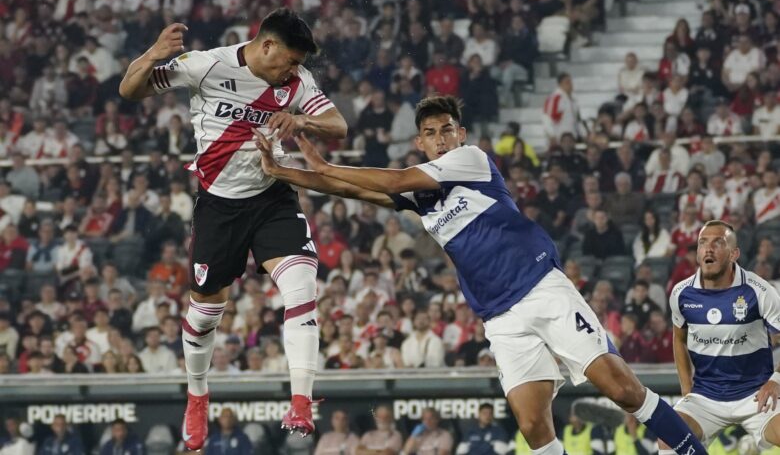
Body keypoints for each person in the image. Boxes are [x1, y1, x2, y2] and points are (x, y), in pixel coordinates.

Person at [256, 95, 708, 454]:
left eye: (446, 130)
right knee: (533, 426)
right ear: (420, 142)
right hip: (500, 317)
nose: (440, 139)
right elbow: (348, 188)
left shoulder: (470, 160)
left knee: (624, 390)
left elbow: (390, 181)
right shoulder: (421, 197)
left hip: (541, 289)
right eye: (430, 134)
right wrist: (285, 170)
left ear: (461, 134)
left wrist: (321, 164)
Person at [118, 7, 347, 446]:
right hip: (219, 209)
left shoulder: (297, 84)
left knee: (303, 285)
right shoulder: (207, 65)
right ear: (267, 46)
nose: (295, 70)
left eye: (299, 64)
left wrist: (302, 120)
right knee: (205, 315)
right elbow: (130, 91)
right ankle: (198, 395)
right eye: (291, 60)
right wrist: (152, 54)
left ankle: (301, 402)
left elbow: (338, 125)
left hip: (272, 199)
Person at [662, 220, 780, 453]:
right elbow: (679, 339)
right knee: (668, 436)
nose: (708, 248)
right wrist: (687, 391)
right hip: (706, 397)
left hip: (756, 394)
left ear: (734, 253)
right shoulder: (681, 293)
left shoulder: (759, 291)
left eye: (718, 243)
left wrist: (776, 380)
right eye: (703, 243)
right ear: (697, 253)